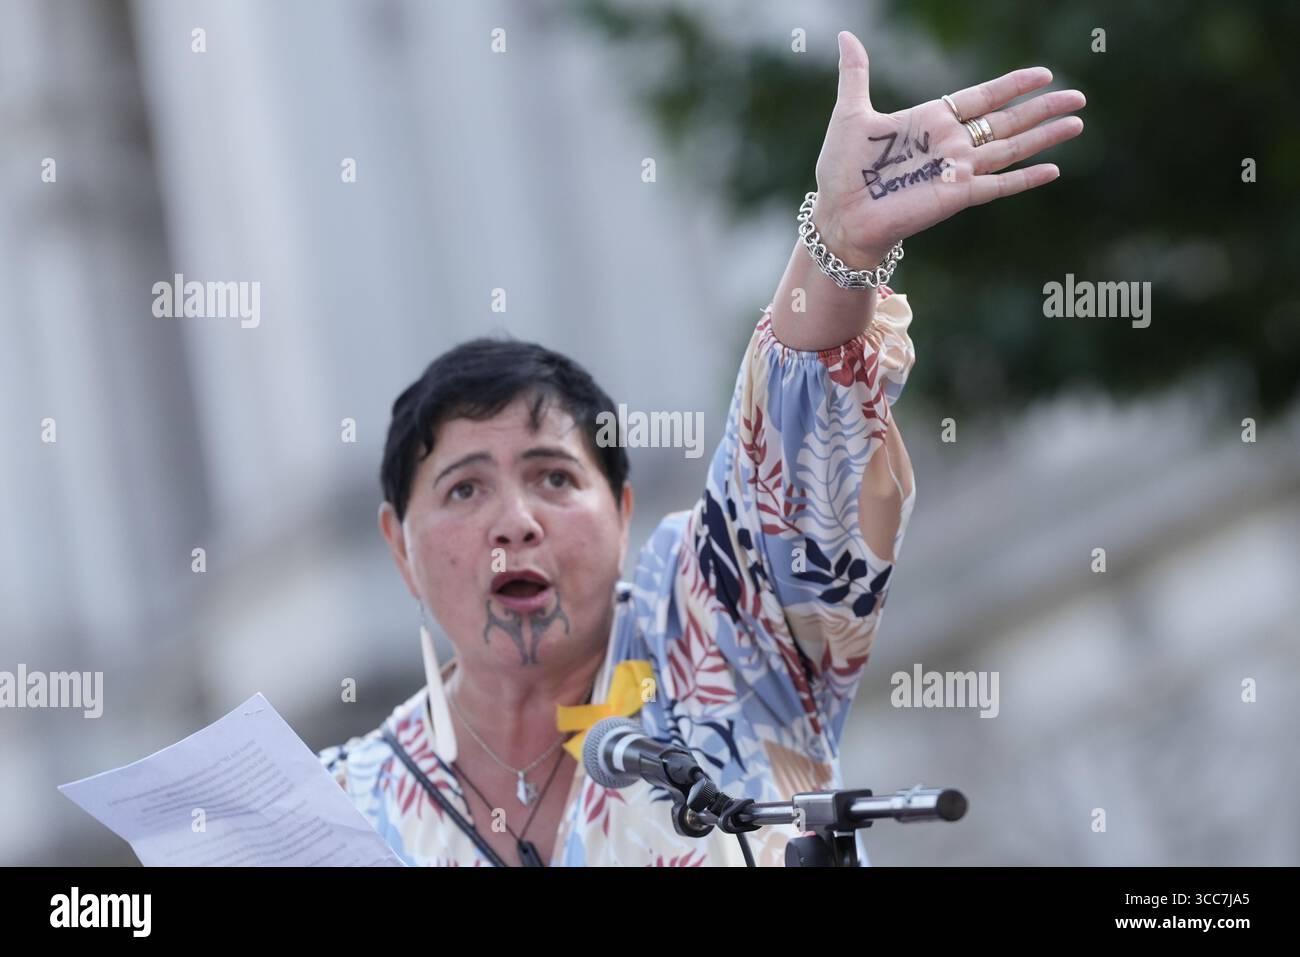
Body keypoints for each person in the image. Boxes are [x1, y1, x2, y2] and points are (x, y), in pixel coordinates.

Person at [317, 31, 1084, 866]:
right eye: (464, 488)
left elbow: (786, 460)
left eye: (555, 477)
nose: (516, 521)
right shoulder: (333, 808)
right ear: (400, 544)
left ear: (622, 512)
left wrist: (838, 245)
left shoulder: (718, 635)